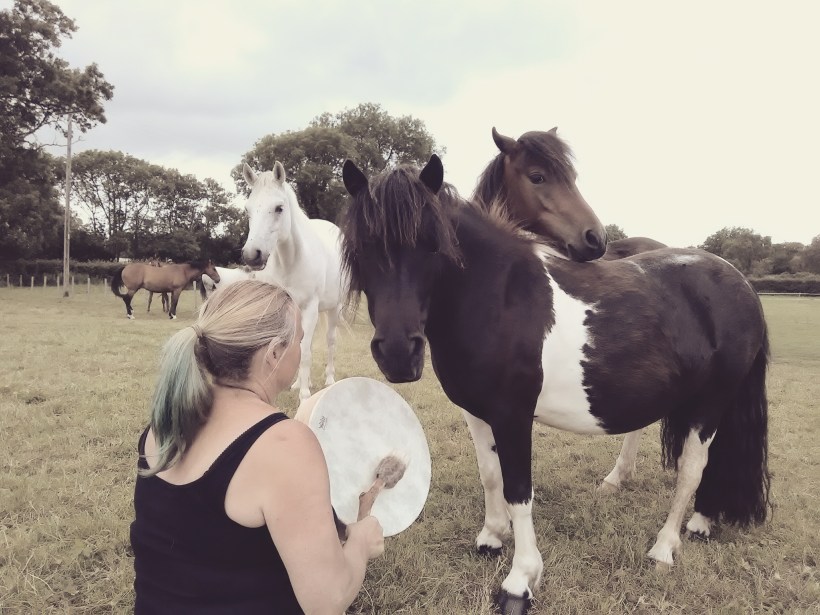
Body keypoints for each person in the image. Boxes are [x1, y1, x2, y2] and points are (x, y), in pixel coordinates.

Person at [130, 279, 384, 614]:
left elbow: (211, 543)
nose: (301, 351)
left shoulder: (164, 423)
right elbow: (328, 599)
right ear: (275, 353)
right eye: (299, 342)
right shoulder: (283, 444)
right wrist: (362, 542)